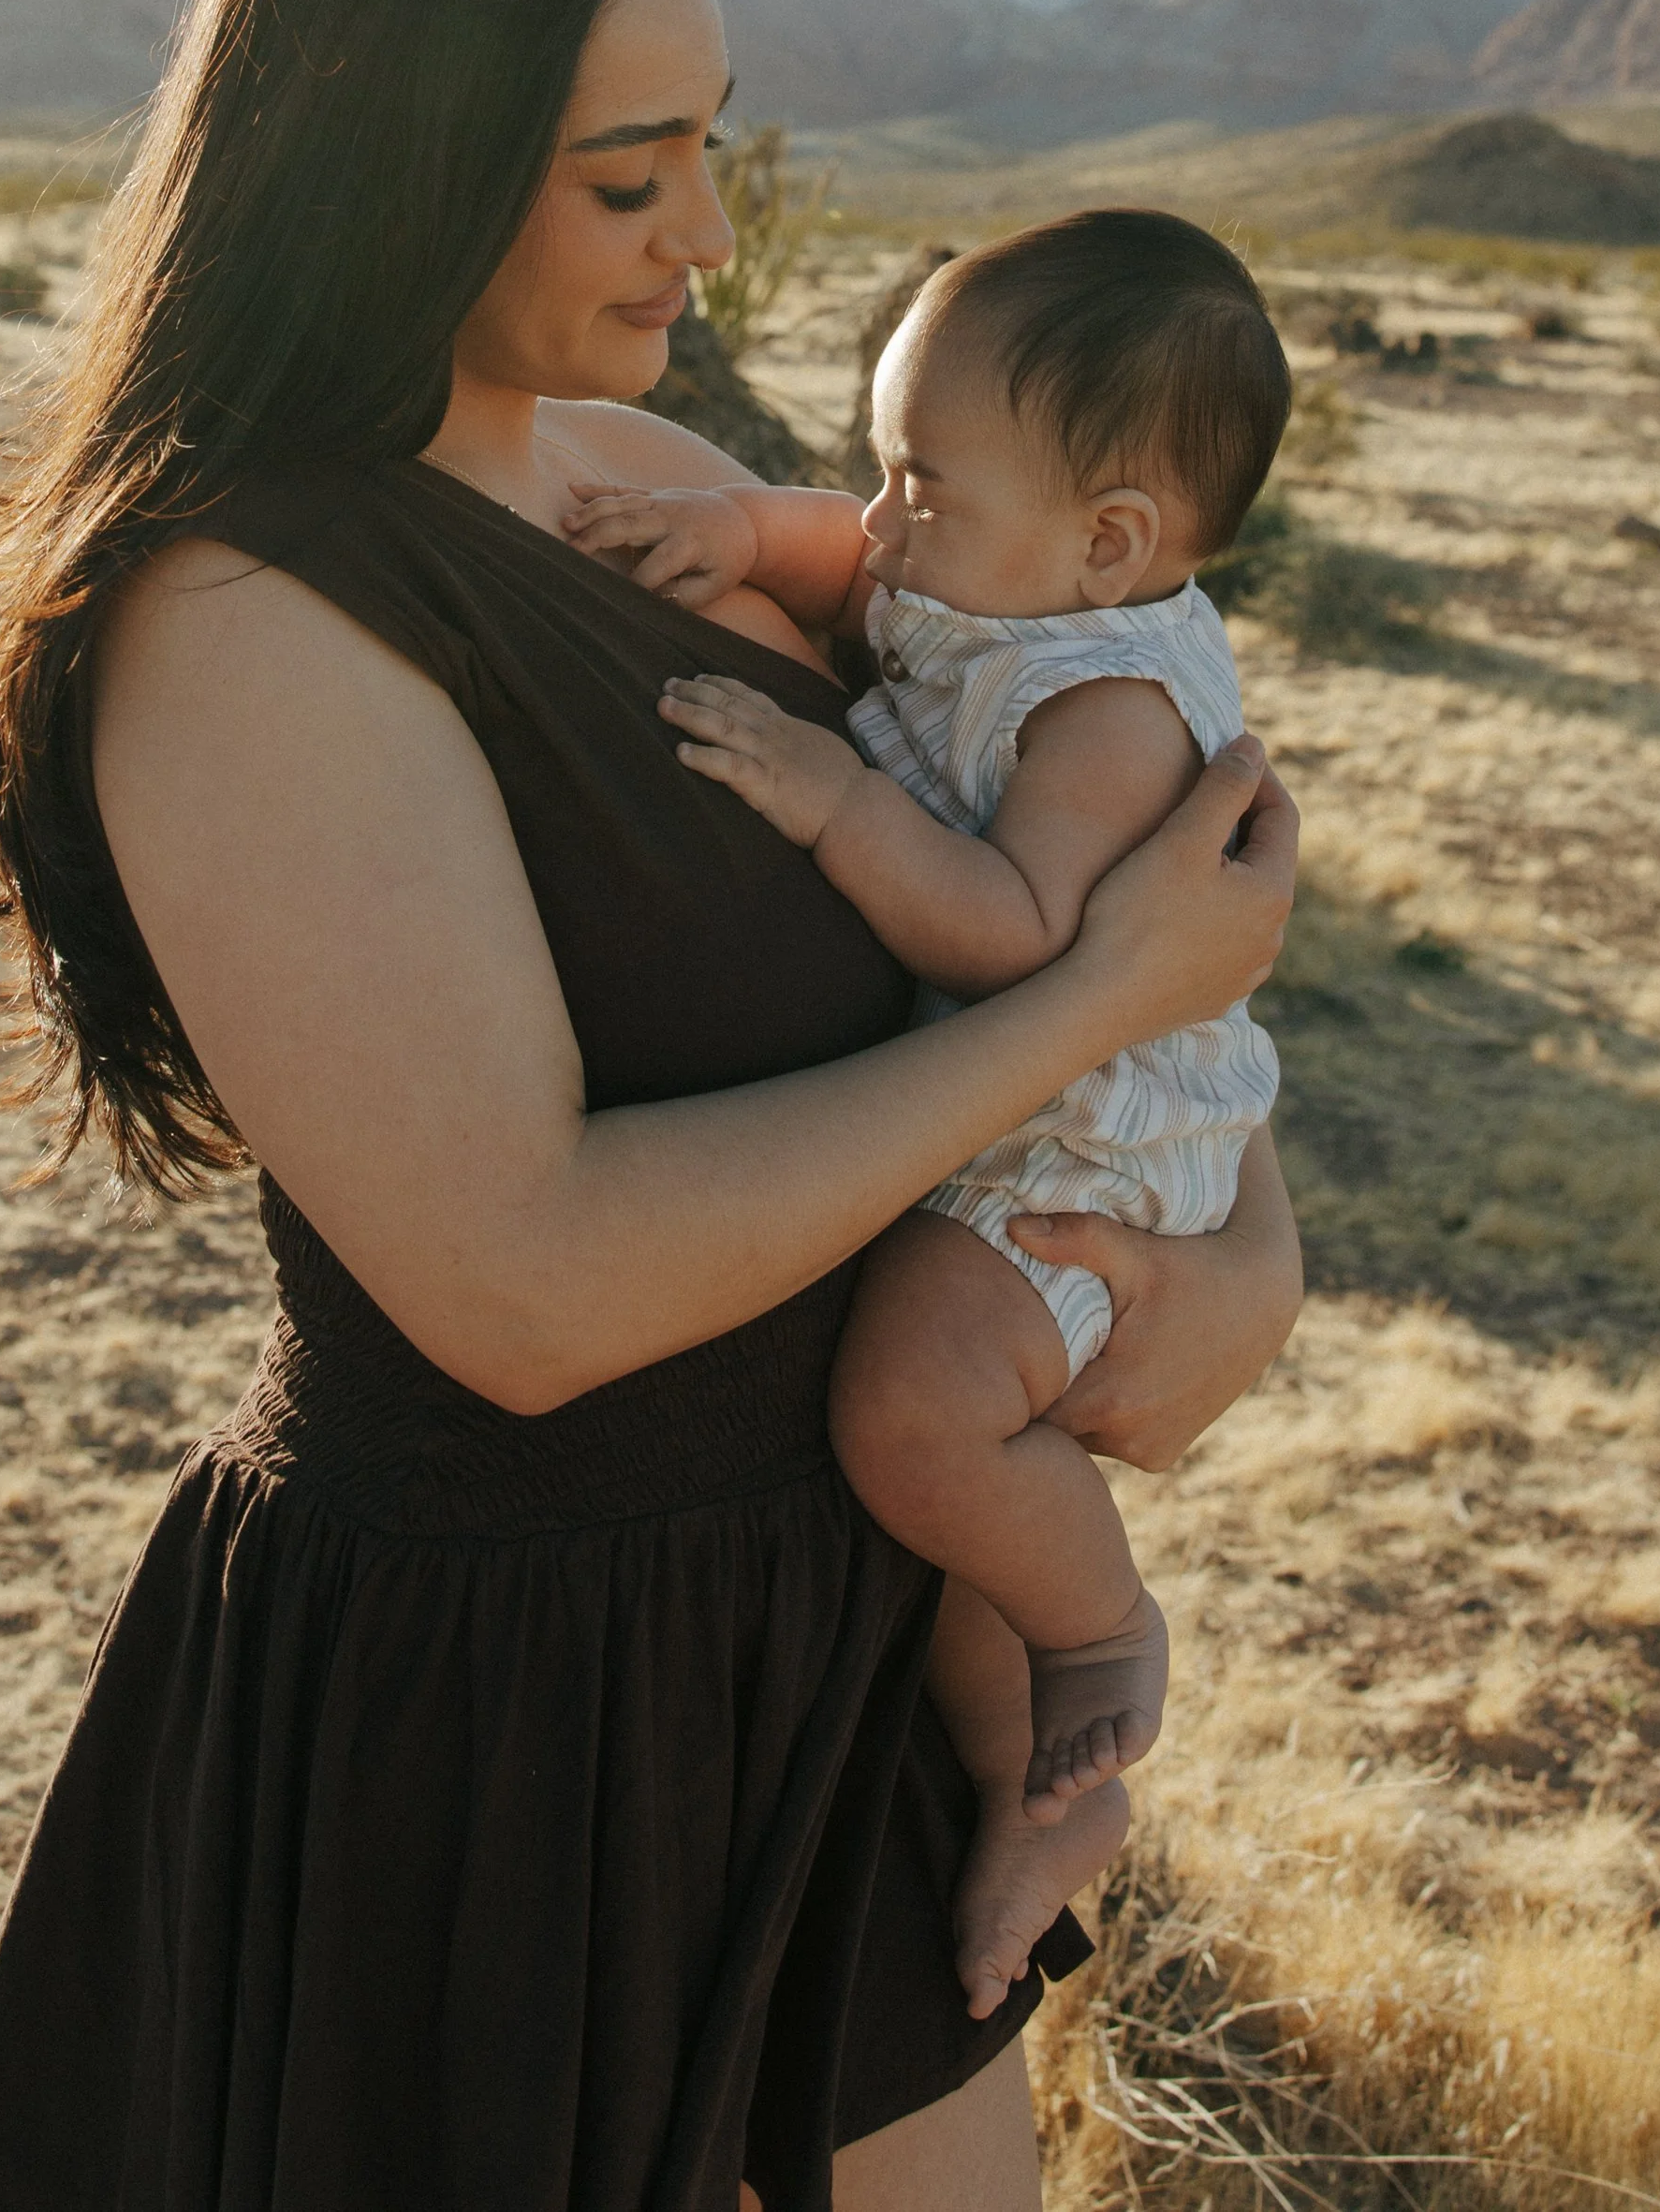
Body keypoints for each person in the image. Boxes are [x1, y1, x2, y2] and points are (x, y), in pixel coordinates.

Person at [0, 0, 1300, 2212]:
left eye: (713, 147)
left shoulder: (645, 473)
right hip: (508, 1732)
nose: (715, 233)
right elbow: (529, 1275)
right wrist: (1078, 1022)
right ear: (406, 154)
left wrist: (1237, 1247)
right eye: (628, 170)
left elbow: (1091, 816)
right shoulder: (242, 620)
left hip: (824, 1632)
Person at [564, 214, 1290, 2010]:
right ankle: (1036, 1790)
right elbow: (844, 557)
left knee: (913, 1412)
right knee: (916, 1474)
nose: (877, 526)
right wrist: (743, 533)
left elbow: (1024, 935)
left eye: (919, 484)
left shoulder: (1108, 706)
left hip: (1077, 1148)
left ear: (1110, 539)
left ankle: (1098, 1634)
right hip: (1006, 1111)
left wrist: (829, 797)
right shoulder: (997, 569)